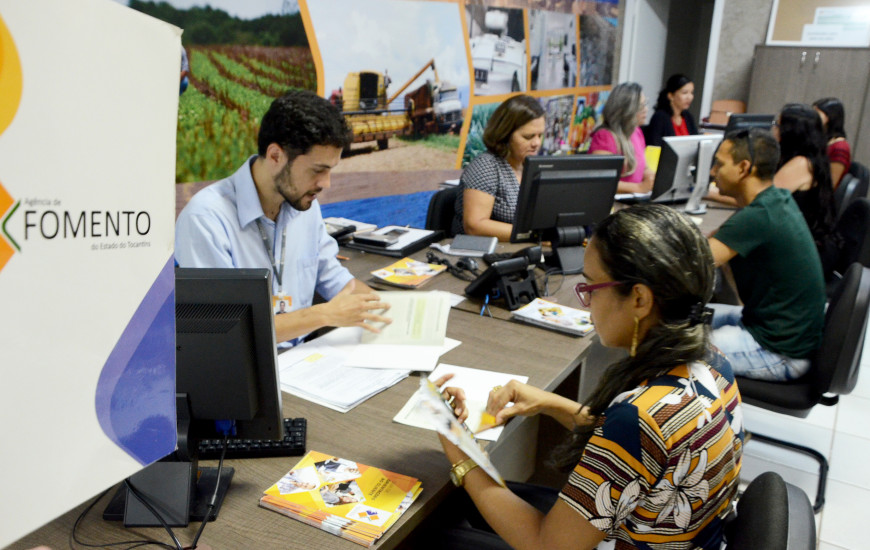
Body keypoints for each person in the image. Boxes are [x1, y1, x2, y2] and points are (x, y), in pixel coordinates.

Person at [428, 204, 744, 550]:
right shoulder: (712, 362)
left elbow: (545, 544)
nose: (586, 302)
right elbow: (646, 451)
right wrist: (548, 402)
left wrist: (461, 453)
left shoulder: (641, 418)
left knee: (433, 532)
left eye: (592, 286)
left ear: (639, 298)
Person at [175, 89, 391, 347]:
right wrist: (323, 314)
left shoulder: (304, 204)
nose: (326, 184)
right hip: (247, 370)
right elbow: (227, 330)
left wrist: (395, 313)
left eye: (330, 170)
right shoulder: (206, 219)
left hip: (301, 359)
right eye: (317, 171)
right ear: (276, 156)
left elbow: (336, 280)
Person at [707, 129, 825, 381]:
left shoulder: (758, 217)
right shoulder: (775, 199)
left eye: (718, 164)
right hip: (777, 328)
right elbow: (709, 243)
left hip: (781, 353)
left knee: (671, 346)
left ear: (743, 168)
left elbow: (691, 263)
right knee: (691, 319)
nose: (712, 172)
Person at [452, 94, 545, 241]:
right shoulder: (486, 166)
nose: (536, 143)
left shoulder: (530, 166)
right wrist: (533, 235)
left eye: (540, 136)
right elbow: (474, 226)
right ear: (505, 135)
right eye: (528, 137)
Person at [588, 82, 655, 194]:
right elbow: (602, 181)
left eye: (645, 104)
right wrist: (639, 188)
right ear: (626, 110)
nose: (646, 109)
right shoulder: (604, 136)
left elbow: (643, 168)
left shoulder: (636, 131)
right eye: (640, 106)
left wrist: (650, 176)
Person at [643, 73, 699, 147]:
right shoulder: (660, 117)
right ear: (671, 96)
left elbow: (696, 141)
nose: (689, 97)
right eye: (685, 93)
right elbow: (654, 145)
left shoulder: (688, 116)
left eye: (691, 93)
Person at [813, 97, 851, 189]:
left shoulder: (840, 147)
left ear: (830, 117)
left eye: (816, 114)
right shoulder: (822, 140)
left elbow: (829, 186)